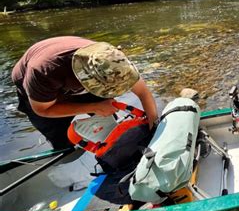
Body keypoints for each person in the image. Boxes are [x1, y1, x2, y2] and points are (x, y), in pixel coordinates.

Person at [12, 36, 158, 149]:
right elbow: (43, 110)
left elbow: (143, 93)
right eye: (108, 89)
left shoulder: (112, 60)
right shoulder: (44, 71)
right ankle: (66, 149)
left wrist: (154, 128)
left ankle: (109, 143)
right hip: (40, 93)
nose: (112, 92)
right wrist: (94, 107)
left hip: (81, 75)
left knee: (108, 115)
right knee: (61, 138)